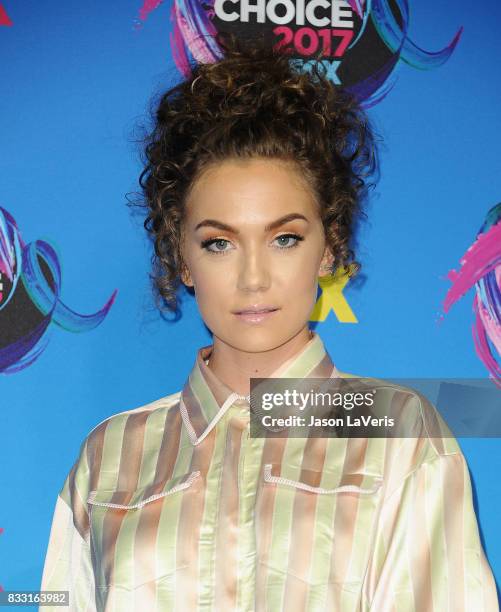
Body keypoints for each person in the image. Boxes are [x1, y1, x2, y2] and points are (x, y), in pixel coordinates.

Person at [40, 32, 499, 611]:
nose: (254, 278)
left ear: (328, 246)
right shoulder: (107, 457)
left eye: (284, 238)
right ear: (181, 256)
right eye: (218, 243)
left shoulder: (403, 435)